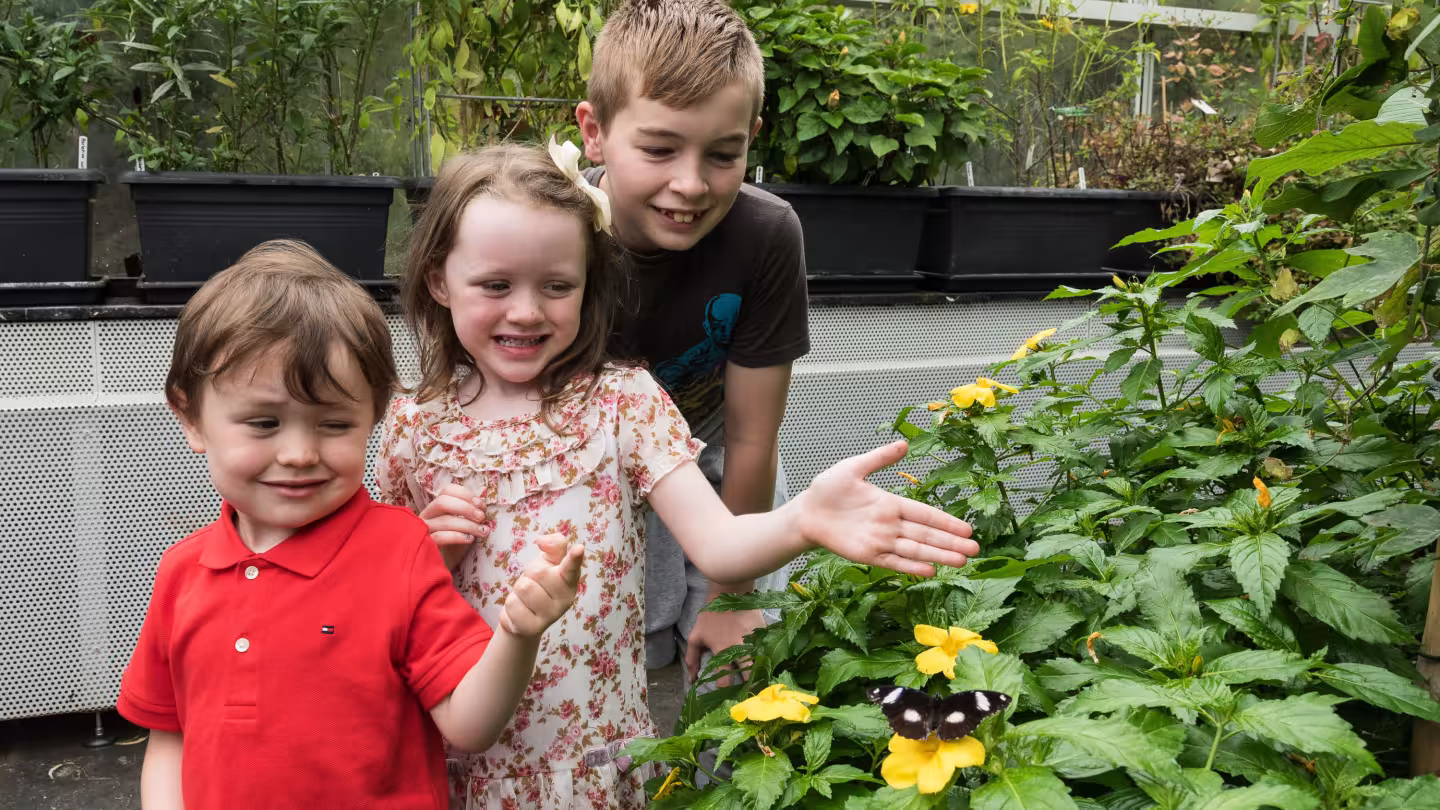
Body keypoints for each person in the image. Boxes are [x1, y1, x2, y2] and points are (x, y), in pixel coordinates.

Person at [377, 140, 979, 808]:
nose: (526, 310)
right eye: (495, 285)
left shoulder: (622, 404)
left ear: (588, 283)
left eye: (557, 285)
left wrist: (804, 518)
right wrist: (427, 555)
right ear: (438, 280)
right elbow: (380, 605)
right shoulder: (414, 428)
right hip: (456, 767)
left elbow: (718, 543)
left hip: (593, 765)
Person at [116, 240, 584, 809]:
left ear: (374, 414)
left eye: (334, 424)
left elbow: (467, 724)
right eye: (264, 422)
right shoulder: (183, 573)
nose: (298, 453)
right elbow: (169, 738)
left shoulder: (400, 551)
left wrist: (518, 634)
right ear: (190, 417)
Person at [576, 0, 810, 687]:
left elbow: (752, 439)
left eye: (722, 154)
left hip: (717, 463)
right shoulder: (557, 228)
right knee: (626, 661)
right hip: (599, 471)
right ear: (594, 132)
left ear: (751, 139)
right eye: (658, 149)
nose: (690, 183)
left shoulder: (767, 235)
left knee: (734, 665)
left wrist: (732, 592)